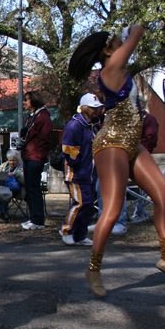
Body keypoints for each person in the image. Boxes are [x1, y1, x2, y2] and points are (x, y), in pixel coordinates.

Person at [68, 25, 165, 297]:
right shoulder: (111, 68)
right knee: (112, 211)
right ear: (107, 49)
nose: (119, 41)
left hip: (132, 143)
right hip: (112, 143)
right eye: (115, 39)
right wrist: (130, 30)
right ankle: (93, 268)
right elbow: (138, 32)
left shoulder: (116, 67)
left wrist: (122, 33)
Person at [60, 94, 102, 246]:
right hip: (77, 173)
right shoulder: (74, 126)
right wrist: (76, 165)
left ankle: (80, 235)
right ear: (84, 108)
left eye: (97, 107)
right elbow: (69, 149)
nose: (96, 110)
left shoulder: (94, 126)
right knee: (81, 203)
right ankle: (66, 230)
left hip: (90, 173)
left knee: (88, 205)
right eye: (92, 107)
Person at [19, 91, 52, 230]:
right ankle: (33, 218)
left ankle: (38, 220)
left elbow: (45, 139)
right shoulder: (30, 118)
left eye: (26, 100)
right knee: (29, 189)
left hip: (35, 158)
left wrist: (39, 156)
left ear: (33, 100)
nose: (24, 103)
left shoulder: (43, 117)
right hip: (28, 156)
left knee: (34, 189)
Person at [130, 109, 159, 223]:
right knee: (137, 185)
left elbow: (152, 137)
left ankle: (140, 213)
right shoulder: (130, 118)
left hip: (143, 155)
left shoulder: (149, 119)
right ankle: (140, 213)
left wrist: (145, 151)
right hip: (131, 155)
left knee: (144, 184)